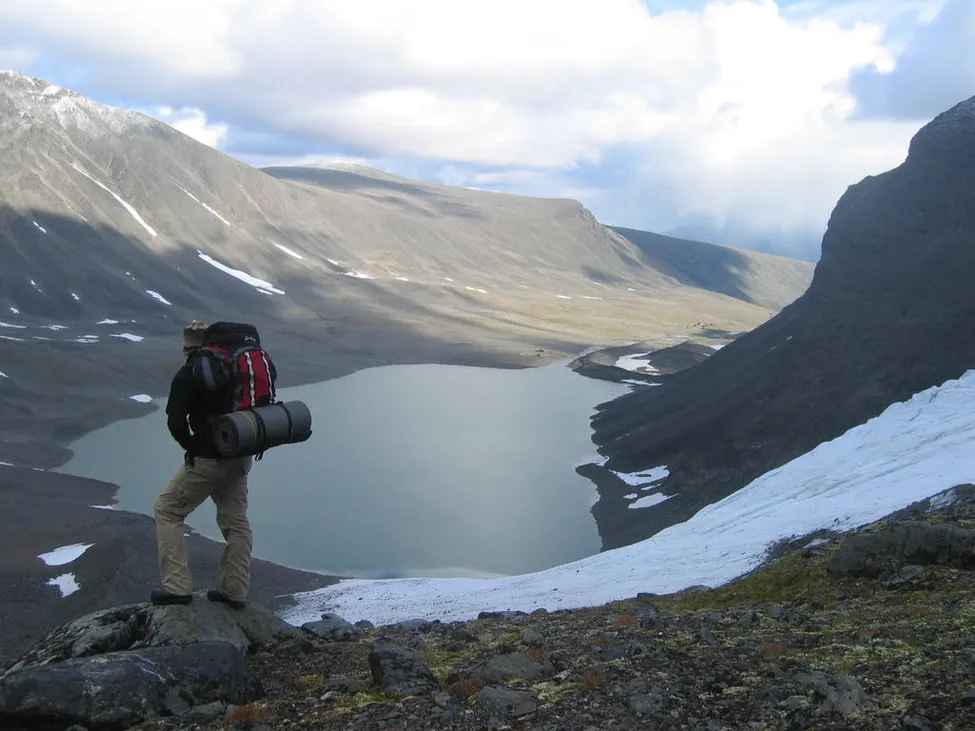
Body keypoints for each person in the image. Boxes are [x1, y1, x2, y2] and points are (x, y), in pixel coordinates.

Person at [150, 321, 253, 609]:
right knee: (236, 522)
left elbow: (175, 422)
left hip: (209, 459)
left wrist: (193, 448)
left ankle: (177, 587)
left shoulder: (188, 374)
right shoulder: (236, 366)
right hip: (240, 453)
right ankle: (235, 592)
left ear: (187, 347)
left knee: (167, 509)